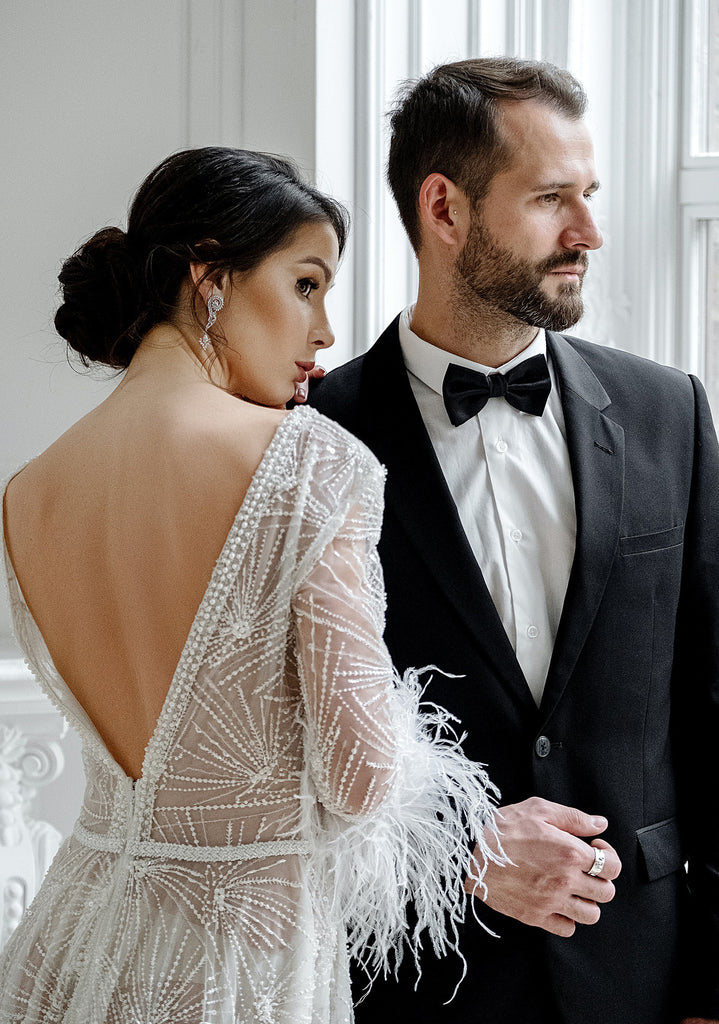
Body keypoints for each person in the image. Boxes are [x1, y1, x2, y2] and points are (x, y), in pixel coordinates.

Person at [0, 147, 503, 1024]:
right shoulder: (306, 459)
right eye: (307, 284)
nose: (326, 332)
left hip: (64, 949)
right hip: (234, 971)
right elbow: (358, 780)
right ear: (211, 277)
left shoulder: (29, 489)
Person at [310, 58, 719, 1024]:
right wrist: (457, 853)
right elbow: (283, 750)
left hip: (644, 974)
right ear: (443, 209)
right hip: (409, 982)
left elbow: (711, 699)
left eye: (589, 196)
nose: (589, 234)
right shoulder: (309, 437)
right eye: (549, 200)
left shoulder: (668, 410)